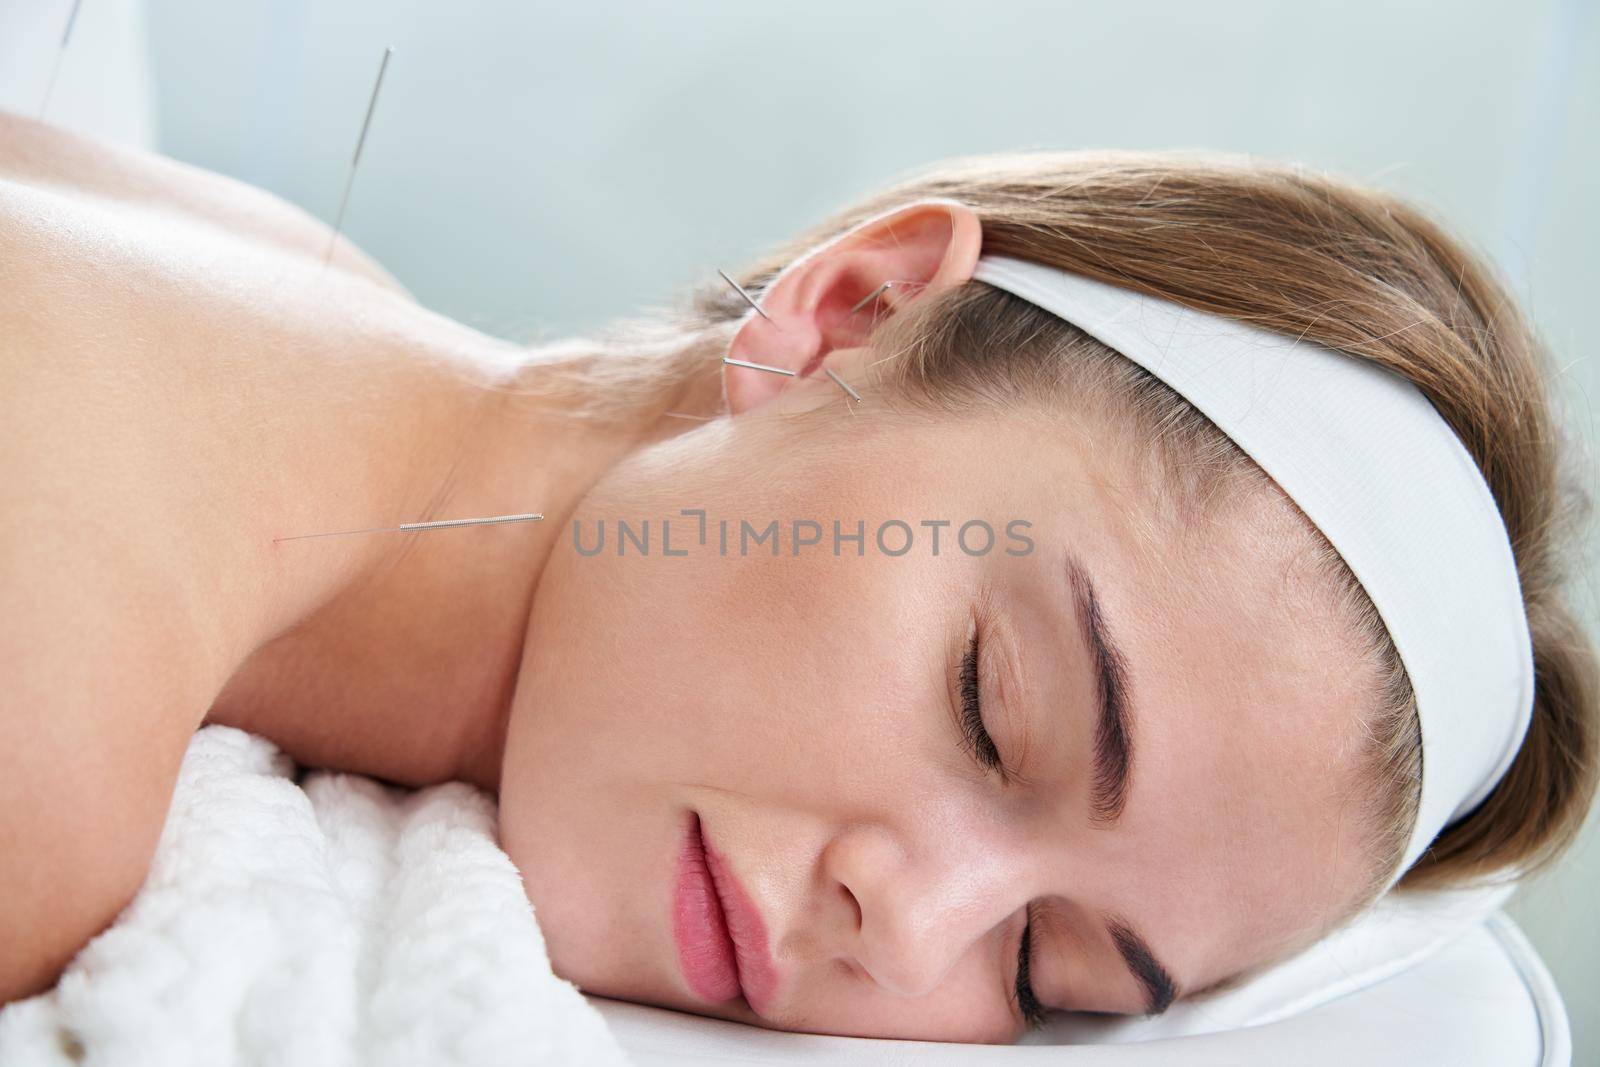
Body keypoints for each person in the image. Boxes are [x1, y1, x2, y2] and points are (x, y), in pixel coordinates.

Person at [1, 110, 1594, 1044]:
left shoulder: (279, 282)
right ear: (846, 314)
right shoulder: (47, 715)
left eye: (1050, 974)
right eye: (990, 710)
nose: (904, 932)